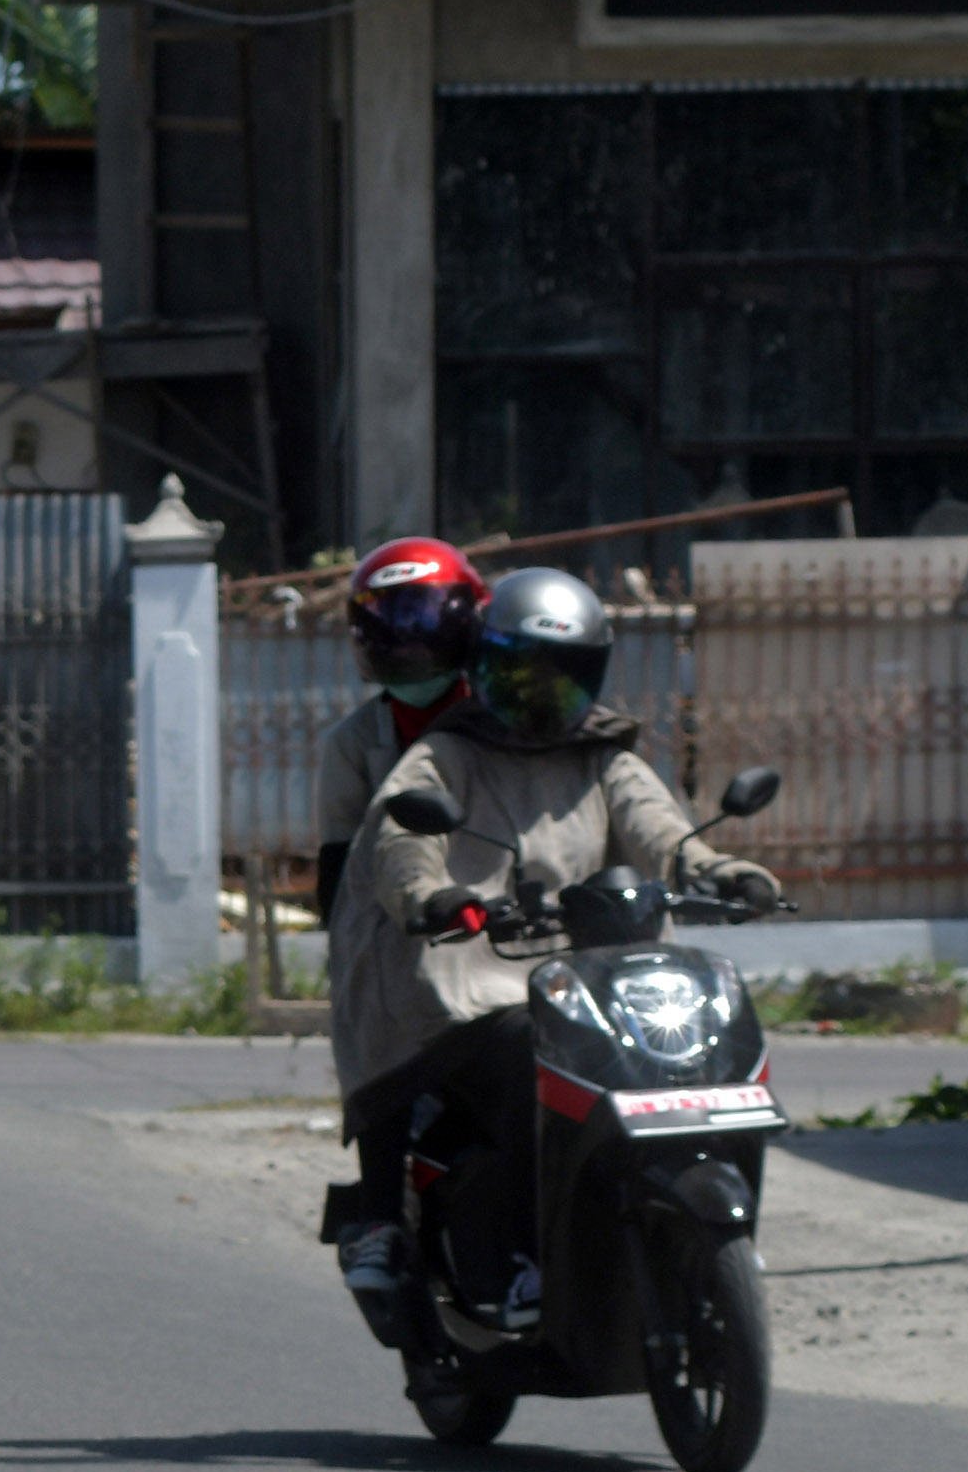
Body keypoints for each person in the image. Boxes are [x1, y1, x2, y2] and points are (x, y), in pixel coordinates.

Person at [332, 565, 780, 1327]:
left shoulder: (605, 756)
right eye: (523, 672)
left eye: (562, 674)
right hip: (479, 981)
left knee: (696, 1058)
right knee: (526, 1068)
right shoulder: (448, 755)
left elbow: (662, 831)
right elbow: (402, 842)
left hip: (593, 974)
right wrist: (432, 896)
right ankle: (517, 1263)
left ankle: (687, 1230)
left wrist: (720, 870)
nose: (542, 693)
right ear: (486, 667)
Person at [317, 539, 487, 1316]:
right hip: (402, 926)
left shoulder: (499, 718)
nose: (407, 638)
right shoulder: (354, 743)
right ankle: (382, 1217)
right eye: (389, 621)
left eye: (422, 618)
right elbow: (337, 875)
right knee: (383, 1025)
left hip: (506, 919)